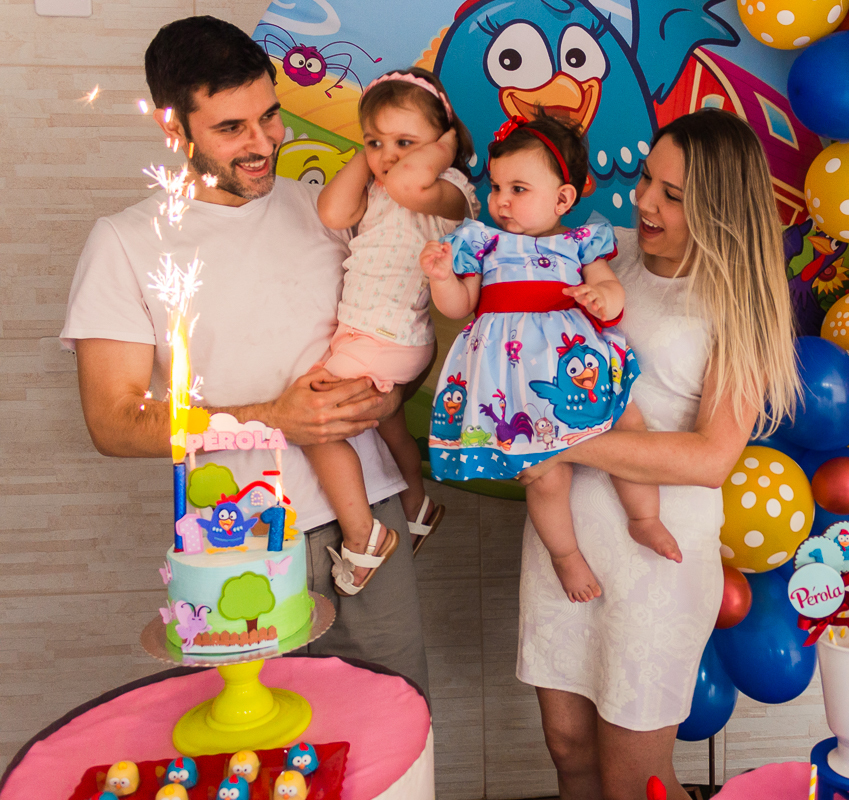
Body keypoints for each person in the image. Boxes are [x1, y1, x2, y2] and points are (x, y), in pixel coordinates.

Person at [58, 16, 428, 690]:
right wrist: (272, 417)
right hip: (238, 545)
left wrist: (391, 393)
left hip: (371, 525)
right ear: (175, 130)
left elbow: (399, 331)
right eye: (232, 129)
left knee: (396, 738)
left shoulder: (327, 211)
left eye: (271, 116)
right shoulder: (124, 243)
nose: (264, 144)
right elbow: (113, 422)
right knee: (268, 760)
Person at [514, 109, 800, 799]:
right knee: (567, 746)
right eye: (648, 179)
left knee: (632, 778)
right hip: (563, 542)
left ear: (718, 209)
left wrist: (571, 441)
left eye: (672, 195)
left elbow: (711, 459)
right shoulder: (601, 253)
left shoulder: (738, 305)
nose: (643, 201)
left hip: (656, 562)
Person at [419, 113, 679, 605]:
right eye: (496, 186)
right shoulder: (483, 242)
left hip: (571, 363)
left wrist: (602, 299)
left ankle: (645, 517)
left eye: (519, 188)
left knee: (629, 419)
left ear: (563, 198)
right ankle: (565, 555)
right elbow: (459, 306)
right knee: (545, 473)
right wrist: (440, 278)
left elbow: (611, 289)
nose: (501, 201)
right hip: (513, 380)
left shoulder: (580, 241)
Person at [308, 67, 477, 596]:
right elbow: (332, 210)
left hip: (387, 337)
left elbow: (411, 181)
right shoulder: (379, 188)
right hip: (375, 337)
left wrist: (443, 145)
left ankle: (365, 538)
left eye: (406, 142)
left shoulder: (450, 190)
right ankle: (416, 505)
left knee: (316, 424)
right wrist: (372, 153)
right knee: (390, 427)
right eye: (375, 141)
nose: (389, 155)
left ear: (442, 143)